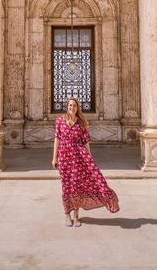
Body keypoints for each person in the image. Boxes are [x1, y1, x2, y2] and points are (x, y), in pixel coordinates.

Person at [52, 97, 120, 227]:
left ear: (78, 108)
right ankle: (67, 214)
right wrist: (54, 157)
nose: (72, 108)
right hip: (64, 157)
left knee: (76, 186)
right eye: (70, 105)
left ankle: (76, 216)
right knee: (66, 186)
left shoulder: (81, 123)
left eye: (75, 106)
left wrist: (89, 157)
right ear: (67, 107)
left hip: (77, 157)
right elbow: (57, 139)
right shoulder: (60, 121)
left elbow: (86, 142)